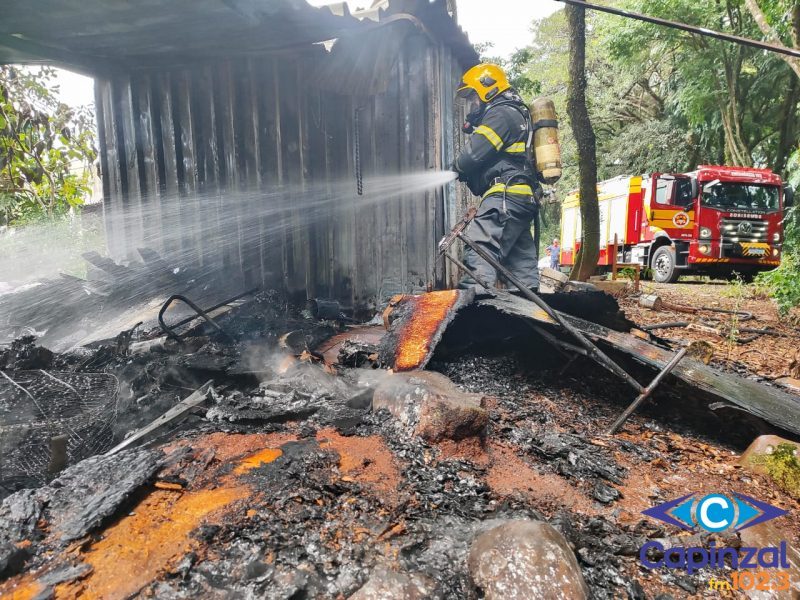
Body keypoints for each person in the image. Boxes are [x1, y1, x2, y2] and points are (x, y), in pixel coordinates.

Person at [451, 63, 543, 292]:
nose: (471, 106)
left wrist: (455, 166)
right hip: (521, 201)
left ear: (487, 89)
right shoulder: (517, 114)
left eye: (472, 98)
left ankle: (474, 316)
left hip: (504, 197)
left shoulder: (500, 114)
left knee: (479, 248)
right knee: (521, 270)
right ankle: (528, 322)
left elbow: (470, 157)